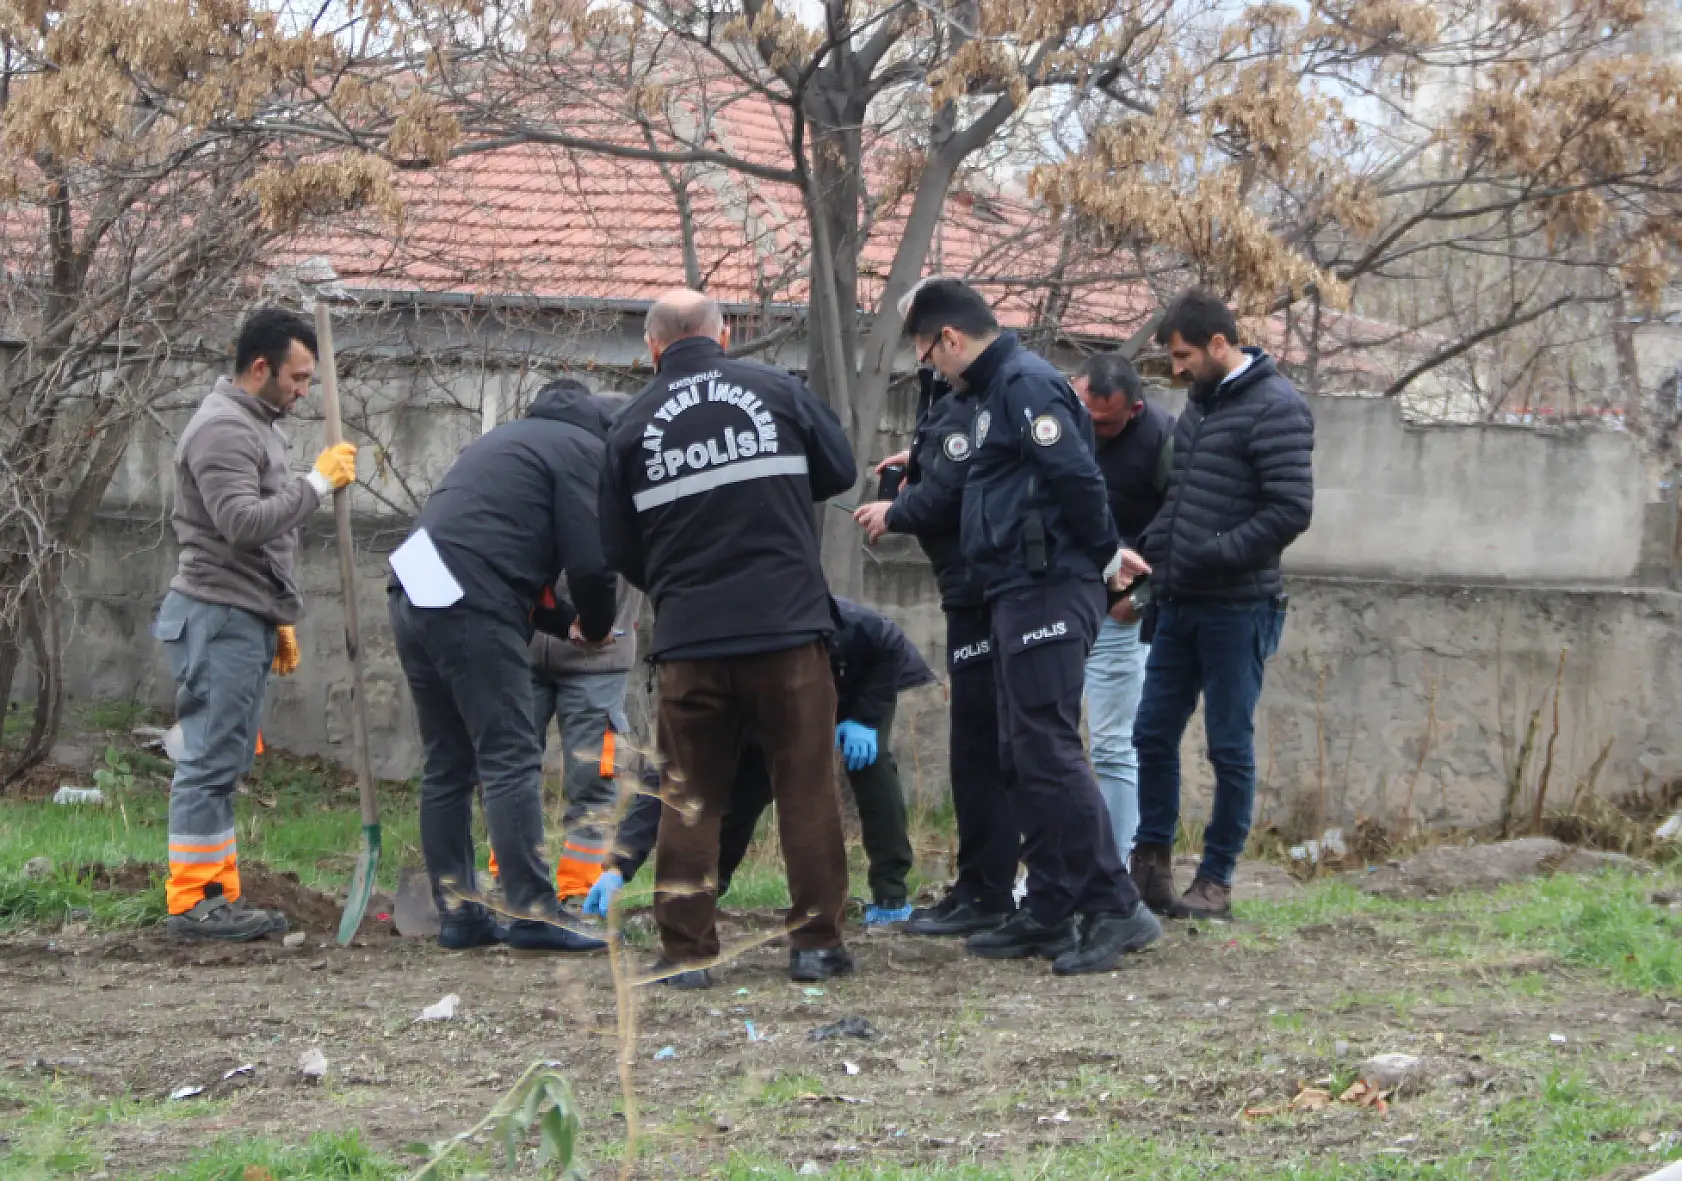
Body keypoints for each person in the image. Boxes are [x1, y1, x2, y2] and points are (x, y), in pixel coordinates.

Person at [902, 277, 1161, 976]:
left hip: (1049, 584)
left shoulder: (1025, 383)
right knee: (1021, 751)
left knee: (1046, 746)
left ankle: (1114, 903)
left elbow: (1077, 477)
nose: (932, 367)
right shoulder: (991, 395)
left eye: (929, 353)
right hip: (1015, 587)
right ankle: (1048, 902)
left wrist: (1108, 556)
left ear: (949, 337)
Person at [599, 288, 858, 988]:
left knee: (690, 794)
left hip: (690, 642)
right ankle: (816, 944)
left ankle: (686, 953)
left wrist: (682, 586)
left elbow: (617, 546)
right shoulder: (779, 390)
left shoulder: (628, 427)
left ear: (652, 346)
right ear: (726, 331)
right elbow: (841, 471)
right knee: (803, 783)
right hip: (789, 630)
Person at [387, 377, 616, 954]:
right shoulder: (584, 452)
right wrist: (592, 624)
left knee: (448, 761)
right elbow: (590, 564)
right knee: (511, 755)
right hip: (468, 596)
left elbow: (499, 549)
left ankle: (459, 914)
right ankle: (534, 913)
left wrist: (561, 620)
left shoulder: (506, 442)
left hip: (412, 583)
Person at [153, 307, 357, 941]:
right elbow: (241, 523)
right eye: (297, 378)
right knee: (210, 760)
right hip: (218, 617)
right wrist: (316, 486)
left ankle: (217, 895)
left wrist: (275, 612)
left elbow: (254, 534)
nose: (303, 391)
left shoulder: (256, 423)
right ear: (261, 367)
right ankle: (194, 903)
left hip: (240, 615)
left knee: (224, 758)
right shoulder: (222, 430)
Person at [1127, 290, 1315, 920]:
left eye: (1182, 355)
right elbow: (1180, 500)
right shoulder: (1202, 404)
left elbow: (1290, 510)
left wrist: (1213, 553)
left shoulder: (1277, 406)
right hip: (1179, 602)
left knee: (1228, 746)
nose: (1175, 369)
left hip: (1239, 608)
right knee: (1150, 733)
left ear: (1218, 344)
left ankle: (1216, 880)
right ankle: (1149, 868)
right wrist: (1144, 561)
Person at [584, 598, 934, 927]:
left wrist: (866, 717)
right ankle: (705, 891)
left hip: (859, 682)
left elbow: (886, 643)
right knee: (747, 790)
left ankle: (890, 895)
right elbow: (668, 776)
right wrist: (618, 865)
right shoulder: (712, 678)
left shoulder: (841, 624)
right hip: (773, 698)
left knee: (869, 767)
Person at [853, 357, 1021, 937]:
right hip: (965, 589)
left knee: (983, 748)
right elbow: (958, 472)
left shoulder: (982, 395)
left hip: (982, 591)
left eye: (925, 343)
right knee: (972, 746)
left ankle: (992, 889)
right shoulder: (952, 397)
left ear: (945, 337)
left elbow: (957, 494)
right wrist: (919, 464)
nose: (923, 356)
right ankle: (977, 884)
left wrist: (894, 510)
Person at [523, 389, 645, 905]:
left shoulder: (635, 484)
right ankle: (516, 883)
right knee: (511, 772)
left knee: (594, 779)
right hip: (528, 650)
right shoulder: (545, 471)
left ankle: (579, 892)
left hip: (600, 658)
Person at [1070, 352, 1174, 864]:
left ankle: (1115, 868)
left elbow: (1184, 524)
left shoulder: (1163, 440)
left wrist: (1140, 598)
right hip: (1060, 604)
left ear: (1133, 409)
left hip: (1119, 612)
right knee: (1050, 744)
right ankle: (1064, 862)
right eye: (1087, 417)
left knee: (1113, 745)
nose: (1095, 431)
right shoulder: (1055, 425)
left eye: (1107, 423)